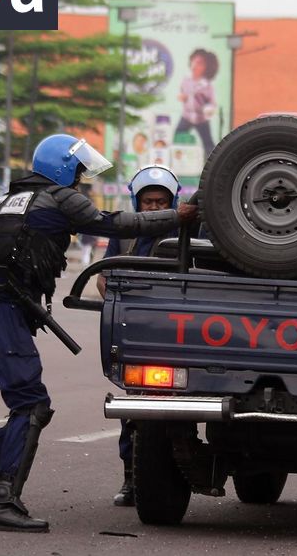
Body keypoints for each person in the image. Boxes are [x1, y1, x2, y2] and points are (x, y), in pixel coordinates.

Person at [0, 134, 197, 532]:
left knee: (30, 403)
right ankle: (3, 498)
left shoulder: (8, 200)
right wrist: (175, 217)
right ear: (61, 168)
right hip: (3, 308)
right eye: (77, 170)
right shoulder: (59, 198)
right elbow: (115, 223)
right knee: (31, 404)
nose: (79, 179)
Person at [96, 164, 182, 507]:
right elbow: (102, 277)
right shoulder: (125, 233)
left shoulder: (188, 230)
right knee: (134, 411)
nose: (155, 208)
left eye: (162, 202)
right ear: (138, 203)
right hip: (137, 331)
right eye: (149, 202)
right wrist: (119, 306)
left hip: (176, 331)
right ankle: (133, 479)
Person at [176, 48, 219, 155]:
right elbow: (182, 93)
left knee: (208, 144)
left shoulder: (206, 85)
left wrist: (209, 110)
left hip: (201, 119)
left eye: (199, 63)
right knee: (177, 137)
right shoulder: (186, 80)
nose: (195, 65)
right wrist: (182, 97)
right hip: (187, 116)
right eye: (194, 61)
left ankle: (210, 162)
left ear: (206, 68)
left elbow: (212, 103)